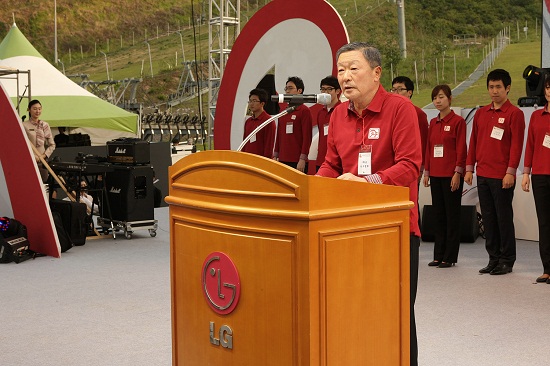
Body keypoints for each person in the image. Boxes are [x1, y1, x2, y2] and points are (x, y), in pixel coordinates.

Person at [316, 42, 422, 366]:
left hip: (395, 229)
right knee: (355, 311)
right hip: (347, 229)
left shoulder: (400, 109)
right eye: (341, 70)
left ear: (376, 74)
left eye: (353, 69)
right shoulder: (337, 114)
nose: (345, 77)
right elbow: (331, 164)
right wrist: (313, 187)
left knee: (396, 314)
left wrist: (367, 183)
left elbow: (409, 166)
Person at [464, 69, 525, 275]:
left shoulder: (514, 114)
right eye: (491, 87)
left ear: (507, 88)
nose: (494, 91)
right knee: (489, 218)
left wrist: (510, 172)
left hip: (502, 176)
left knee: (503, 218)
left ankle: (507, 260)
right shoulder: (481, 113)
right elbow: (473, 142)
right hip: (483, 174)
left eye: (498, 87)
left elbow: (517, 146)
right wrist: (469, 168)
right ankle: (493, 258)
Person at [423, 85, 467, 268]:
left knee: (452, 216)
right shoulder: (433, 123)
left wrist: (458, 172)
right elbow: (428, 148)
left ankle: (449, 256)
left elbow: (461, 149)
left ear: (450, 99)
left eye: (441, 97)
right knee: (438, 215)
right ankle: (438, 255)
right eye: (435, 98)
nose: (438, 101)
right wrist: (426, 171)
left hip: (451, 175)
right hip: (435, 174)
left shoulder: (458, 122)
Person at [521, 76, 550, 283]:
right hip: (540, 174)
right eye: (548, 87)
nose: (549, 91)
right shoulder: (536, 116)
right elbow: (530, 145)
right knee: (545, 223)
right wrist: (526, 173)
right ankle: (547, 268)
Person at [273, 76, 313, 173]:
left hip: (297, 161)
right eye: (286, 88)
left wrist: (303, 158)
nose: (287, 91)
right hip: (282, 159)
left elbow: (307, 137)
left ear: (299, 91)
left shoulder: (304, 111)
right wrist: (275, 155)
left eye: (290, 88)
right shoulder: (283, 111)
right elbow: (279, 135)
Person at [23, 99, 56, 182]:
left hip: (43, 161)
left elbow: (52, 145)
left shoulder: (45, 125)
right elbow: (22, 146)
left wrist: (43, 156)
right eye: (35, 109)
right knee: (30, 183)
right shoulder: (24, 125)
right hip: (29, 161)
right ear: (29, 110)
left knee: (44, 183)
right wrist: (34, 156)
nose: (37, 111)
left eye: (39, 108)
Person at [314, 75, 342, 171]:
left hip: (338, 162)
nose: (325, 93)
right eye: (323, 89)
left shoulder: (343, 111)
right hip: (321, 160)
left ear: (338, 91)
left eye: (329, 89)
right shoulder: (320, 113)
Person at [242, 88, 275, 158]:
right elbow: (244, 143)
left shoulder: (268, 121)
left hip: (260, 162)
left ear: (262, 103)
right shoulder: (248, 121)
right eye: (250, 101)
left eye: (254, 101)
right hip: (247, 160)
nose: (251, 104)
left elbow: (269, 145)